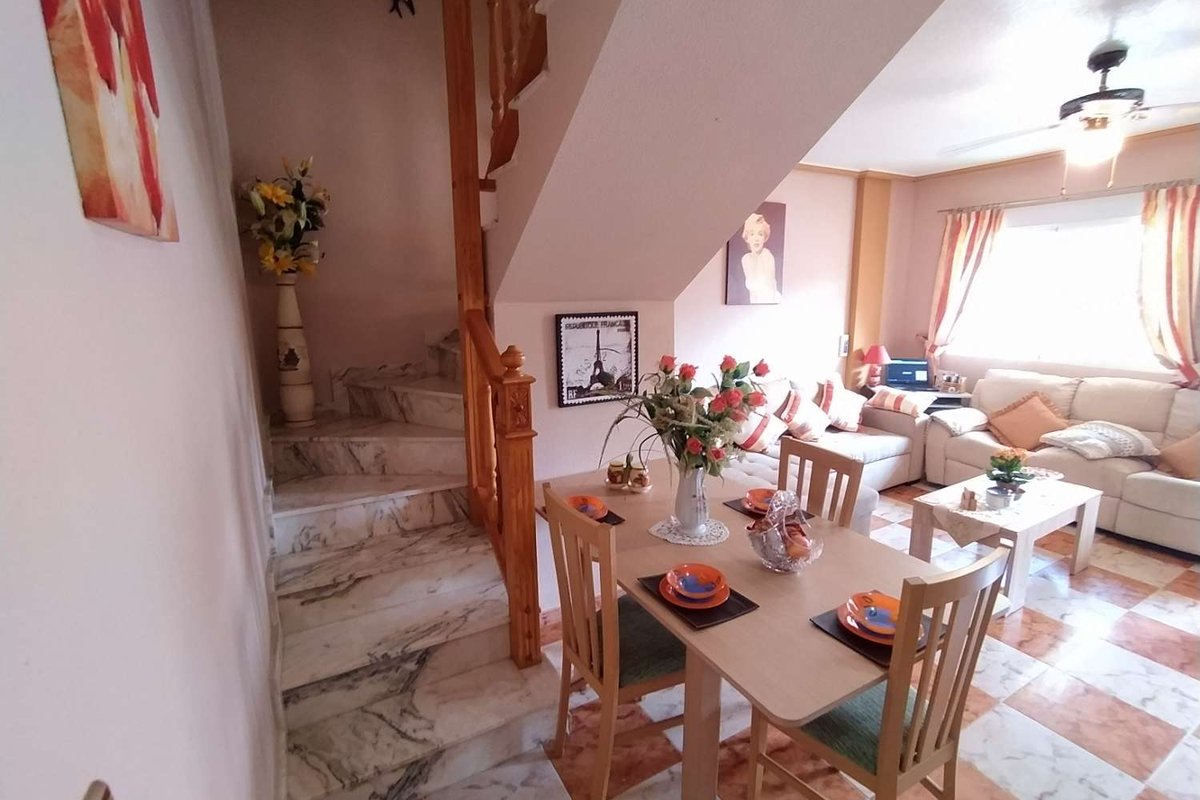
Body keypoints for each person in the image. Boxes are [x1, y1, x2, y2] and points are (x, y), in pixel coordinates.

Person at [740, 213, 779, 303]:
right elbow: (751, 287)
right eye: (752, 234)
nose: (756, 238)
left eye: (760, 234)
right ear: (747, 238)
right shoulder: (745, 259)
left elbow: (770, 287)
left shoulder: (767, 256)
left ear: (764, 238)